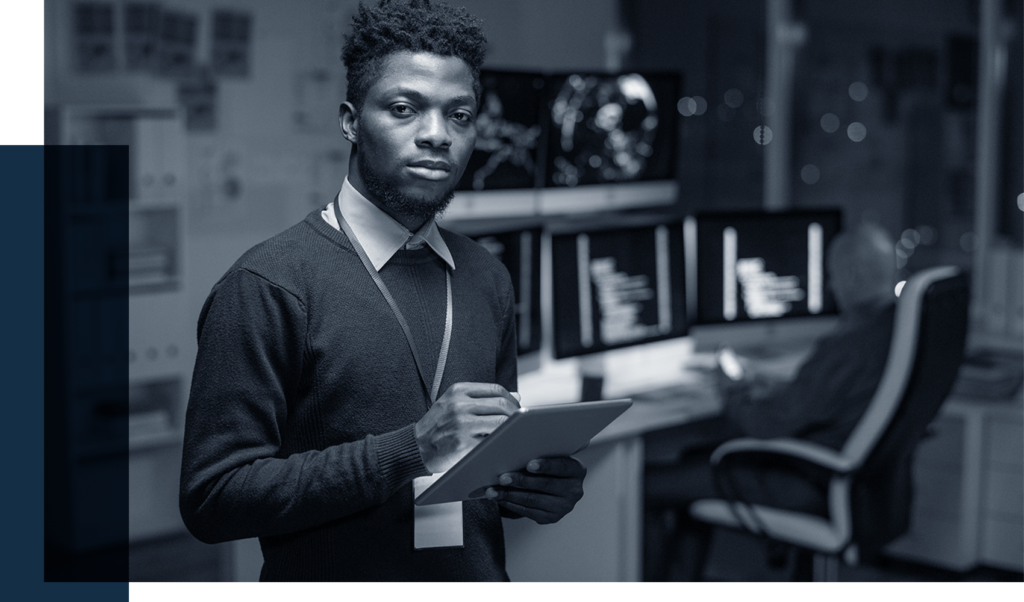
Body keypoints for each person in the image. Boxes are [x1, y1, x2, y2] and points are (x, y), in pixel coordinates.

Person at [179, 0, 586, 583]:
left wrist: (537, 488)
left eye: (461, 115)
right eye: (404, 108)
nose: (436, 135)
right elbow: (213, 498)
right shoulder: (268, 285)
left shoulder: (486, 276)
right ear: (350, 120)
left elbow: (484, 465)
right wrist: (412, 447)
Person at [644, 223, 898, 582]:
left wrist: (729, 387)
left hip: (806, 482)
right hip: (861, 486)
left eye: (833, 278)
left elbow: (766, 426)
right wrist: (777, 386)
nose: (832, 287)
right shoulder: (894, 329)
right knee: (691, 460)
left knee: (644, 485)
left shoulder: (847, 345)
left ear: (852, 276)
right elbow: (823, 399)